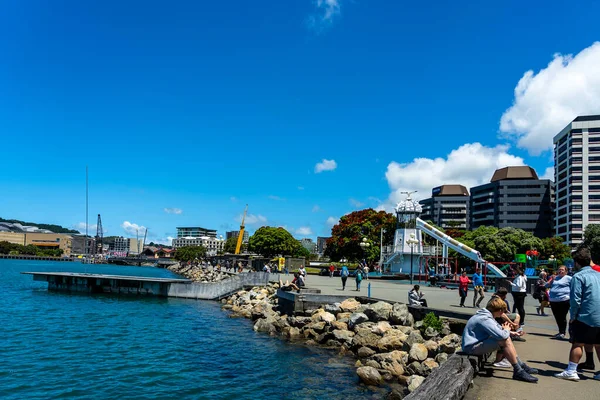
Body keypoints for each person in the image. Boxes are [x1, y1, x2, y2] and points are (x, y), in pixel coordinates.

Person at [462, 297, 538, 383]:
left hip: (475, 344)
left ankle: (520, 367)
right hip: (471, 348)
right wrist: (507, 330)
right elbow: (501, 335)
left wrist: (512, 333)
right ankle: (519, 370)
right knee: (504, 340)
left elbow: (498, 329)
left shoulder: (486, 315)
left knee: (506, 338)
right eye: (503, 311)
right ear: (499, 310)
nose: (503, 313)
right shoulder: (485, 319)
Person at [555, 246, 600, 381]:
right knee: (599, 344)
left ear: (577, 263)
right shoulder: (599, 274)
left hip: (585, 316)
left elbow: (575, 299)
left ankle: (571, 370)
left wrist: (573, 317)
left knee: (578, 343)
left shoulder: (578, 276)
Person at [547, 265, 571, 339]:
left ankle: (563, 332)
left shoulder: (569, 278)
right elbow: (546, 285)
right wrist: (551, 280)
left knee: (562, 316)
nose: (560, 271)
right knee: (557, 317)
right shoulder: (555, 278)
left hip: (564, 300)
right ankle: (560, 331)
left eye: (562, 270)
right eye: (559, 269)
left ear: (566, 271)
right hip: (553, 300)